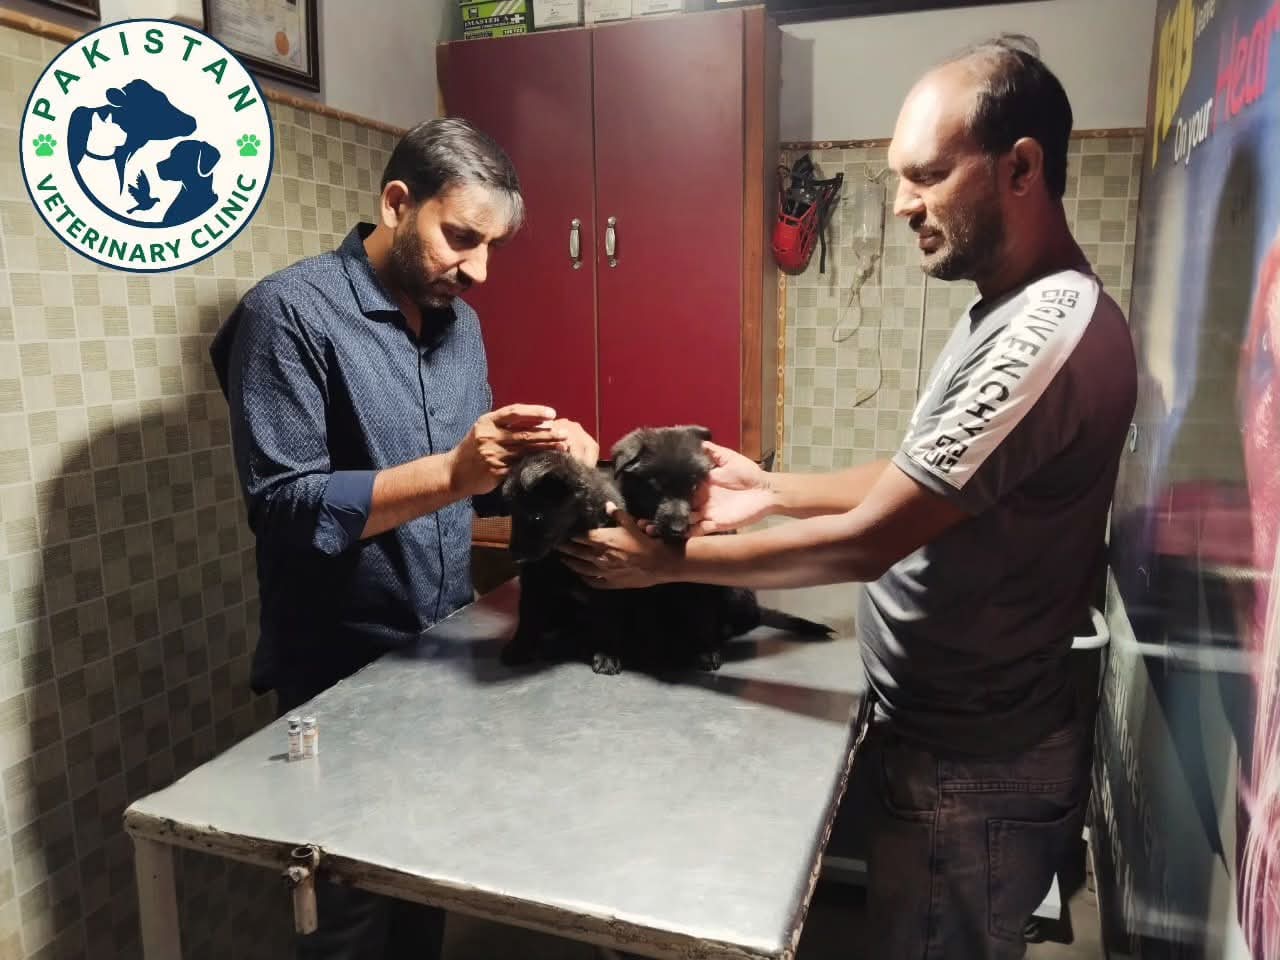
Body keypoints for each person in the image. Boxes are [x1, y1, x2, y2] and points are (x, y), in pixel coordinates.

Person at [562, 35, 1137, 959]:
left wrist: (658, 566)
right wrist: (773, 488)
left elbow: (870, 544)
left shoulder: (1042, 336)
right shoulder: (1009, 308)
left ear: (1022, 166)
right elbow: (921, 476)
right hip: (950, 744)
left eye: (930, 174)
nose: (903, 202)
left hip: (974, 769)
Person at [211, 117, 597, 960]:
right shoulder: (288, 316)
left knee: (425, 894)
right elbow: (285, 507)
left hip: (438, 660)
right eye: (462, 238)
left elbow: (478, 477)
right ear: (396, 203)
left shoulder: (457, 323)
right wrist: (456, 474)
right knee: (347, 924)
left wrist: (552, 456)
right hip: (334, 679)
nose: (481, 269)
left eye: (492, 245)